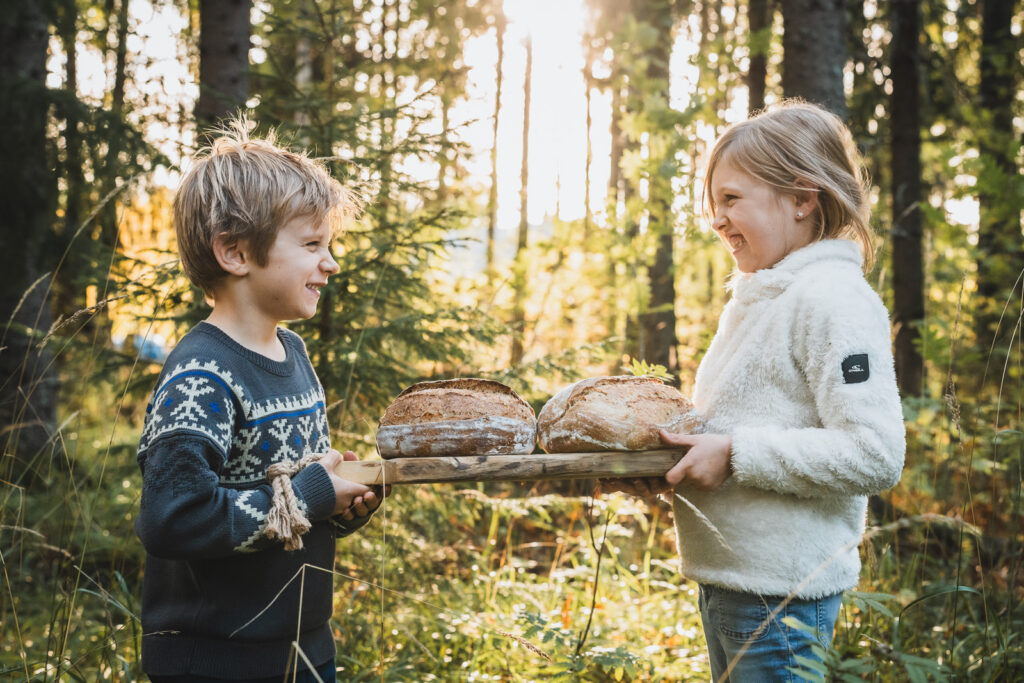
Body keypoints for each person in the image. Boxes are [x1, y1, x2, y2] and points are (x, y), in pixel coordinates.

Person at [608, 101, 905, 681]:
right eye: (712, 203)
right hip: (731, 584)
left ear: (802, 199)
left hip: (783, 598)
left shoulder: (832, 300)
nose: (716, 220)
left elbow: (874, 454)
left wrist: (736, 454)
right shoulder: (759, 298)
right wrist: (667, 465)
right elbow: (735, 428)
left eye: (732, 199)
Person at [135, 121, 386, 682]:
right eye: (312, 245)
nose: (331, 263)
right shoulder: (203, 375)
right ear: (235, 252)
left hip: (304, 649)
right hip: (217, 661)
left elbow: (291, 502)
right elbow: (172, 520)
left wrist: (339, 507)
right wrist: (310, 496)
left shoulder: (292, 353)